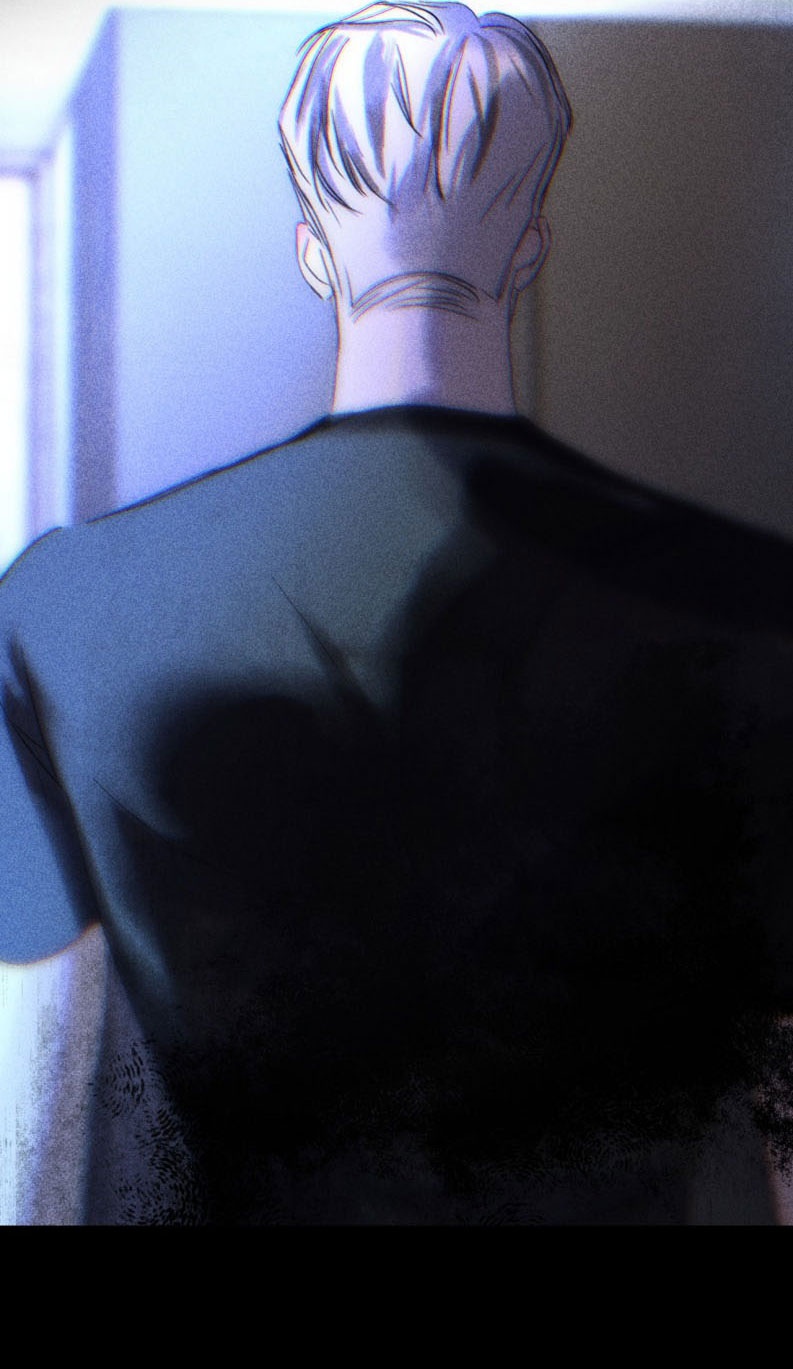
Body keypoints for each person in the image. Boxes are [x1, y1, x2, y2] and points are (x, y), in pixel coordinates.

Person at [3, 1, 793, 1224]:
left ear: (313, 251)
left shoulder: (65, 604)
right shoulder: (751, 604)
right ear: (528, 249)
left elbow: (35, 1073)